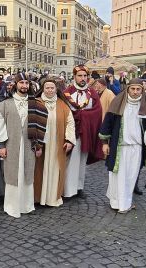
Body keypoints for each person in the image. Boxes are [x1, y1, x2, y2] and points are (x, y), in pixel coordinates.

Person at [99, 78, 146, 213]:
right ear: (128, 89)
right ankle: (117, 203)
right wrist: (105, 143)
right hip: (119, 147)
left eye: (138, 89)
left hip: (137, 148)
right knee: (117, 176)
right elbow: (107, 124)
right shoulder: (118, 102)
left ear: (142, 90)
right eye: (132, 89)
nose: (135, 92)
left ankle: (124, 203)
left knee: (130, 177)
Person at [0, 73, 37, 218]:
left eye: (26, 83)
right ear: (15, 84)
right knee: (12, 174)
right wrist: (1, 146)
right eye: (21, 83)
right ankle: (12, 206)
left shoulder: (35, 104)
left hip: (29, 145)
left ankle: (26, 205)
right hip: (11, 145)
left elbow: (42, 126)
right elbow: (0, 127)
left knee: (27, 172)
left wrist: (40, 145)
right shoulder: (5, 105)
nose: (24, 86)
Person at [33, 79, 76, 207]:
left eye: (52, 88)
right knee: (39, 169)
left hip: (58, 143)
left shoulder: (62, 104)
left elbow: (70, 123)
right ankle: (38, 197)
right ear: (43, 89)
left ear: (56, 89)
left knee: (56, 169)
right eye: (47, 88)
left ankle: (52, 197)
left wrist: (69, 140)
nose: (50, 90)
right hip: (41, 144)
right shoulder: (36, 103)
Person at [63, 65, 103, 199]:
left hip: (85, 132)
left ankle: (79, 187)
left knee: (81, 160)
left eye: (85, 76)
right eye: (80, 75)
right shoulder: (67, 93)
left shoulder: (92, 93)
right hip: (71, 132)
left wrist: (83, 115)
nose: (83, 78)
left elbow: (97, 112)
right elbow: (63, 112)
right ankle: (67, 189)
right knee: (70, 160)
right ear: (74, 76)